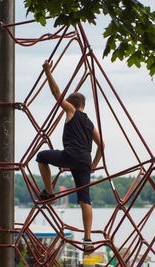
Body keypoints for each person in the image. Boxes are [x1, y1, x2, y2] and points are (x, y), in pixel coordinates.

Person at [36, 59, 104, 253]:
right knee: (85, 199)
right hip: (85, 160)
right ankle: (88, 239)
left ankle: (49, 192)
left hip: (70, 156)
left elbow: (57, 94)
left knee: (41, 156)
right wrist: (94, 165)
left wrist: (48, 72)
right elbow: (102, 145)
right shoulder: (90, 123)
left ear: (72, 104)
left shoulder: (71, 111)